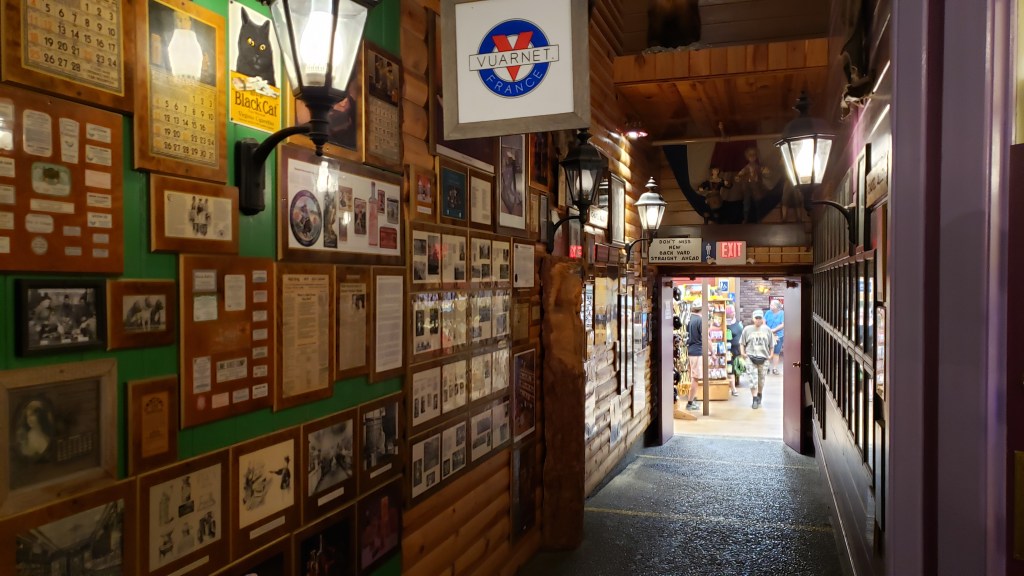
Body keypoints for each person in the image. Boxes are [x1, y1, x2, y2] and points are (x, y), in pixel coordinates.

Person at [740, 309, 776, 409]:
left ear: (762, 319)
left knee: (761, 379)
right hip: (751, 357)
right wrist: (743, 353)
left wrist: (771, 355)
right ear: (753, 318)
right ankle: (754, 398)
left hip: (764, 358)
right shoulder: (747, 329)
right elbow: (742, 343)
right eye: (756, 318)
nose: (758, 320)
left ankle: (759, 394)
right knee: (752, 379)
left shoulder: (767, 330)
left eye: (760, 318)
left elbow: (772, 344)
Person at [684, 300, 703, 411]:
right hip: (697, 352)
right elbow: (706, 337)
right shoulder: (700, 320)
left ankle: (692, 399)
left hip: (690, 350)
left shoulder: (688, 319)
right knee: (695, 378)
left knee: (692, 376)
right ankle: (690, 402)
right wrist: (713, 352)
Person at [764, 300, 785, 374]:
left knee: (776, 352)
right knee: (767, 351)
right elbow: (764, 322)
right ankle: (766, 368)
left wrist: (774, 330)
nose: (770, 306)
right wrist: (768, 330)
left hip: (779, 335)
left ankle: (775, 368)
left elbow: (783, 324)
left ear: (776, 307)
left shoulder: (782, 313)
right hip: (768, 334)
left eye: (772, 305)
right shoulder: (768, 312)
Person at [726, 310, 744, 397]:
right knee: (730, 369)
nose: (729, 315)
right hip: (728, 350)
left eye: (731, 313)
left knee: (737, 368)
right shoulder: (725, 324)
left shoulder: (739, 324)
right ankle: (733, 388)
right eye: (728, 314)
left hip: (737, 350)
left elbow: (742, 336)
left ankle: (733, 387)